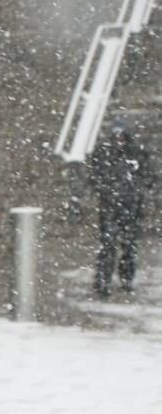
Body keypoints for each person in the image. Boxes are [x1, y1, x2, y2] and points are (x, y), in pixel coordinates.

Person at [89, 118, 154, 298]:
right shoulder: (102, 154)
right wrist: (107, 190)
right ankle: (103, 282)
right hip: (109, 207)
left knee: (129, 246)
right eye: (115, 138)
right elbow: (94, 177)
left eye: (122, 137)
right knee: (107, 246)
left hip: (131, 207)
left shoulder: (137, 154)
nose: (119, 141)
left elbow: (149, 176)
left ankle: (126, 279)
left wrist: (136, 189)